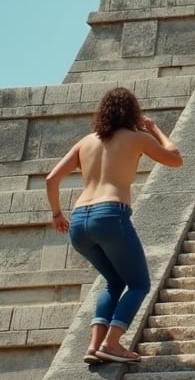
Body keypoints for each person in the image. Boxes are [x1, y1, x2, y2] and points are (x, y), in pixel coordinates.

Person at [44, 87, 183, 365]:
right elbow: (175, 158)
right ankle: (112, 342)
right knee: (139, 284)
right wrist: (155, 129)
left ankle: (94, 345)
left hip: (79, 221)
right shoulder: (137, 138)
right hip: (111, 214)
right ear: (132, 112)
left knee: (114, 282)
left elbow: (51, 179)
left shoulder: (85, 142)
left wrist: (57, 214)